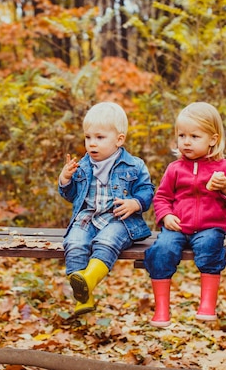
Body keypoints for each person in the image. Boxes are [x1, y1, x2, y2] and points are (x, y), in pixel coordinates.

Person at [143, 101, 226, 327]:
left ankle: (207, 305)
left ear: (213, 139)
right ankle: (161, 309)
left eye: (194, 136)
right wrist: (166, 216)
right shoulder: (175, 169)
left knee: (211, 247)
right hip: (178, 226)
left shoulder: (225, 167)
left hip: (210, 227)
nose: (186, 142)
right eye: (182, 135)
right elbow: (161, 197)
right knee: (161, 250)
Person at [58, 102, 155, 316]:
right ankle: (84, 296)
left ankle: (89, 279)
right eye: (88, 137)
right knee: (74, 243)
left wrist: (135, 203)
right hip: (87, 217)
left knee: (107, 241)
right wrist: (65, 179)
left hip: (118, 219)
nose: (92, 144)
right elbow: (72, 195)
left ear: (119, 140)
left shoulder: (134, 165)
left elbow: (147, 191)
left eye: (100, 138)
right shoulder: (82, 165)